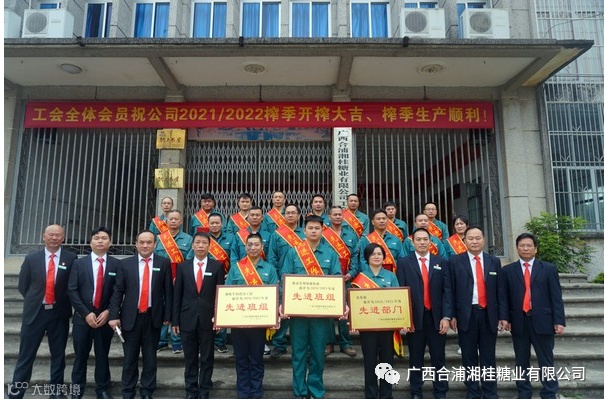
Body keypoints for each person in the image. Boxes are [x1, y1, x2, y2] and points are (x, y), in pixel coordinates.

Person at [9, 224, 78, 399]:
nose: (54, 238)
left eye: (58, 235)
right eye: (51, 235)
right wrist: (36, 300)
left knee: (58, 356)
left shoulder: (71, 258)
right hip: (35, 313)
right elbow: (23, 285)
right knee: (26, 355)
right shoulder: (32, 258)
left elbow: (72, 286)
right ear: (44, 236)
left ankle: (56, 392)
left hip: (58, 314)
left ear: (63, 238)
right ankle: (17, 392)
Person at [280, 215, 343, 399]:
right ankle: (299, 391)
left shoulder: (330, 254)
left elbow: (337, 280)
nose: (314, 231)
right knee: (298, 353)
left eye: (317, 228)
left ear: (322, 230)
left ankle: (316, 390)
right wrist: (283, 303)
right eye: (310, 228)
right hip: (298, 314)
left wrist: (341, 305)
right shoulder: (293, 252)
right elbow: (285, 278)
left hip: (321, 315)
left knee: (317, 353)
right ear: (304, 230)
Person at [499, 233, 566, 399]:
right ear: (517, 248)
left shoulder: (548, 269)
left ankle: (549, 392)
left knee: (546, 360)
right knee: (521, 360)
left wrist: (559, 320)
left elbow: (556, 297)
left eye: (529, 245)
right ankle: (524, 392)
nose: (525, 248)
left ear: (535, 249)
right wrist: (505, 318)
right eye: (522, 245)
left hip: (544, 321)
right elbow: (504, 297)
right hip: (519, 321)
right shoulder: (508, 271)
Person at [108, 230, 172, 399]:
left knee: (150, 358)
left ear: (155, 244)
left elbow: (168, 291)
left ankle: (147, 391)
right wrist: (113, 315)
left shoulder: (163, 263)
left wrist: (168, 315)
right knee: (129, 358)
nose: (145, 245)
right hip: (130, 318)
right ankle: (128, 391)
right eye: (141, 242)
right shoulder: (125, 264)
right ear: (136, 244)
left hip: (153, 317)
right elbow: (118, 291)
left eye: (149, 242)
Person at [395, 227, 452, 399]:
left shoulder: (441, 262)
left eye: (425, 239)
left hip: (437, 318)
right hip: (415, 319)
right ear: (412, 242)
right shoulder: (404, 263)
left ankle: (440, 391)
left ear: (430, 242)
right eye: (418, 240)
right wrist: (406, 319)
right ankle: (416, 391)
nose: (422, 242)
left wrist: (446, 317)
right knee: (416, 358)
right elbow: (401, 292)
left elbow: (447, 291)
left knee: (438, 358)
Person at [449, 226, 503, 398]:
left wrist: (502, 316)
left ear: (484, 240)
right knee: (468, 356)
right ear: (464, 240)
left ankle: (490, 392)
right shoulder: (455, 261)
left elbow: (500, 291)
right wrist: (451, 315)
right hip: (466, 315)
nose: (474, 241)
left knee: (488, 356)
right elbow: (450, 290)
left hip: (488, 314)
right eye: (471, 238)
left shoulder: (494, 261)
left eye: (478, 238)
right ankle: (472, 392)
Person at [68, 226, 121, 399]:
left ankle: (103, 389)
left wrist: (109, 311)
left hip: (104, 318)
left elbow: (118, 292)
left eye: (104, 238)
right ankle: (77, 390)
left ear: (110, 242)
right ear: (90, 242)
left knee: (102, 355)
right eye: (96, 238)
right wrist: (86, 313)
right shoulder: (78, 263)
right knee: (80, 356)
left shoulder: (116, 264)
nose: (100, 241)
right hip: (82, 319)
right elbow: (72, 290)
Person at [225, 233, 279, 398]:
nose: (253, 248)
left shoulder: (269, 269)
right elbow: (227, 292)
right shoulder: (236, 268)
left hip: (259, 324)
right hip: (238, 323)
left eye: (256, 245)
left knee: (256, 360)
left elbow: (276, 294)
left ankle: (256, 392)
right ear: (245, 247)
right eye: (250, 245)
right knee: (241, 359)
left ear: (262, 247)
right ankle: (243, 392)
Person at [172, 232, 225, 399]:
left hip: (208, 320)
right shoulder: (183, 267)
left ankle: (204, 390)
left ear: (209, 246)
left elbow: (220, 295)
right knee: (190, 358)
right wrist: (175, 320)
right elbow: (177, 295)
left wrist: (219, 318)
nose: (201, 246)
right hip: (186, 319)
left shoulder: (217, 266)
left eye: (204, 243)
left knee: (207, 358)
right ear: (192, 245)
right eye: (198, 242)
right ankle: (191, 390)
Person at [352, 243, 399, 399]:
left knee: (387, 362)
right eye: (373, 254)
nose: (377, 256)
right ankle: (371, 395)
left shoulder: (391, 276)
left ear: (384, 257)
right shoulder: (360, 278)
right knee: (370, 363)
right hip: (368, 329)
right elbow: (356, 304)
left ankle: (386, 395)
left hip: (387, 328)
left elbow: (399, 299)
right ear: (367, 257)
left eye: (379, 254)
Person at [267, 203, 305, 358]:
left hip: (302, 281)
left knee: (301, 314)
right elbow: (272, 257)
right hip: (283, 279)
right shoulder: (277, 235)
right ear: (283, 216)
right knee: (282, 313)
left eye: (293, 213)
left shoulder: (305, 233)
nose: (290, 215)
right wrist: (275, 278)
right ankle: (279, 344)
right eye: (287, 213)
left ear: (298, 215)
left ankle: (301, 345)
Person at [155, 209, 193, 354]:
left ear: (181, 221)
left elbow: (189, 260)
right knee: (163, 306)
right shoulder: (159, 239)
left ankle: (177, 341)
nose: (173, 221)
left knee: (178, 307)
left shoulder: (189, 239)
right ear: (166, 221)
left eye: (176, 219)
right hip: (162, 278)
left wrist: (182, 276)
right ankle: (161, 340)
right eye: (171, 219)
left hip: (180, 278)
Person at [323, 206, 358, 357]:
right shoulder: (323, 234)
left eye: (340, 214)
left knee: (345, 312)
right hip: (329, 280)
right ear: (329, 217)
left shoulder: (351, 235)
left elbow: (355, 256)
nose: (338, 216)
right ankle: (329, 343)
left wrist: (352, 273)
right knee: (329, 312)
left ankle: (345, 343)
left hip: (346, 278)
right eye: (335, 214)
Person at [207, 212, 235, 353]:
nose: (214, 225)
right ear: (208, 224)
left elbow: (235, 257)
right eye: (212, 223)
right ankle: (207, 340)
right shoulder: (203, 239)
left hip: (225, 278)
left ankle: (220, 341)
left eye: (217, 223)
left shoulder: (231, 238)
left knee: (223, 307)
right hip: (207, 279)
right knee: (208, 308)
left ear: (222, 224)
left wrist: (232, 273)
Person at [351, 209, 406, 276]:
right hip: (372, 277)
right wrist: (371, 275)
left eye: (384, 218)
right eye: (378, 219)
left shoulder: (396, 240)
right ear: (373, 222)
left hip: (392, 277)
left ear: (387, 221)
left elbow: (401, 260)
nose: (381, 221)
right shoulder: (366, 240)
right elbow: (363, 261)